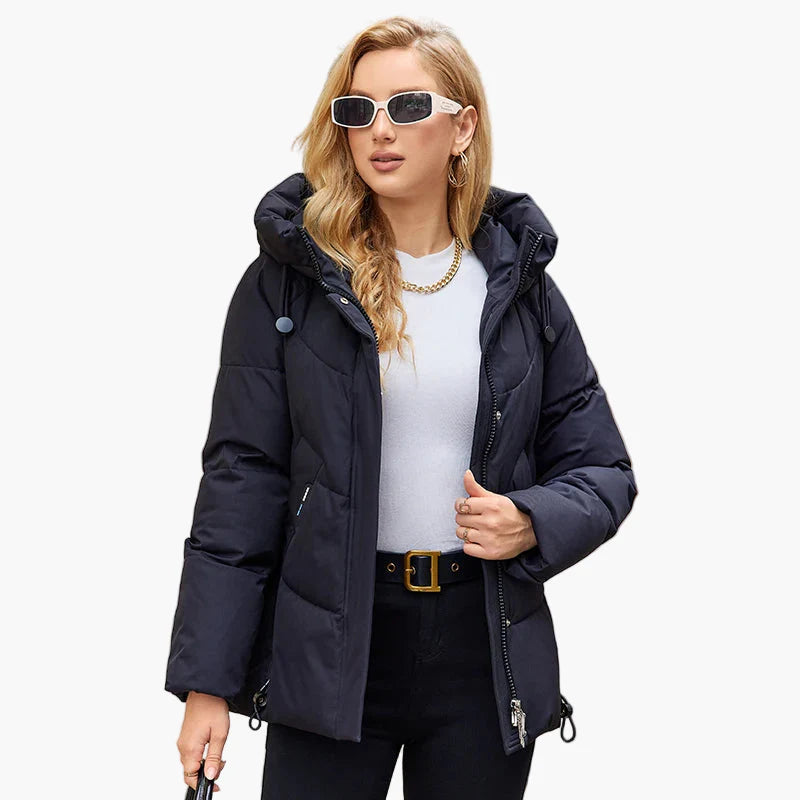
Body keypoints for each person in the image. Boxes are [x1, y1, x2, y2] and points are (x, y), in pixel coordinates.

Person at [165, 15, 638, 800]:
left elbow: (604, 470)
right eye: (358, 111)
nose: (380, 130)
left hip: (481, 649)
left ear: (463, 128)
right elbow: (239, 485)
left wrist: (531, 520)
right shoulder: (288, 287)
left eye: (408, 106)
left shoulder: (522, 293)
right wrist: (206, 684)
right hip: (330, 648)